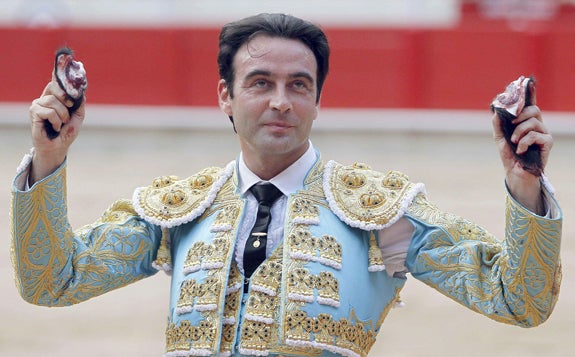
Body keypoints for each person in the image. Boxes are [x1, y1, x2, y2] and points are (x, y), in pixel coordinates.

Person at [11, 13, 562, 357]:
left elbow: (518, 301)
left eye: (299, 84)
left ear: (318, 100)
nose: (280, 100)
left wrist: (525, 191)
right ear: (225, 97)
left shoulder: (379, 211)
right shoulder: (178, 209)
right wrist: (48, 159)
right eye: (259, 83)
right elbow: (52, 282)